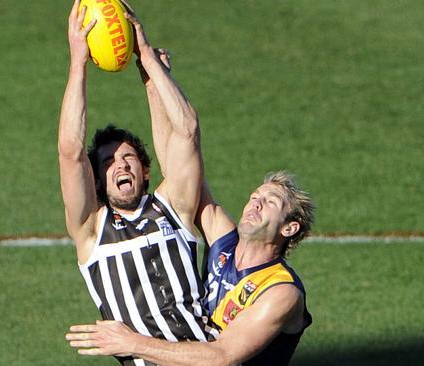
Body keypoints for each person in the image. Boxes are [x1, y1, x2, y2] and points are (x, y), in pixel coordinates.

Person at [64, 7, 316, 360]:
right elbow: (178, 155)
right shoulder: (224, 246)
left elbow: (223, 357)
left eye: (270, 201)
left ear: (290, 227)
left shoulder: (281, 292)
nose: (254, 202)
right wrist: (150, 77)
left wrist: (130, 343)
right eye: (255, 195)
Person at [59, 0, 213, 364]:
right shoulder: (91, 230)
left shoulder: (172, 206)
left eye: (128, 157)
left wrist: (148, 60)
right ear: (98, 180)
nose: (120, 164)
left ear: (146, 171)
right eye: (109, 162)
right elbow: (70, 151)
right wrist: (78, 63)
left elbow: (186, 130)